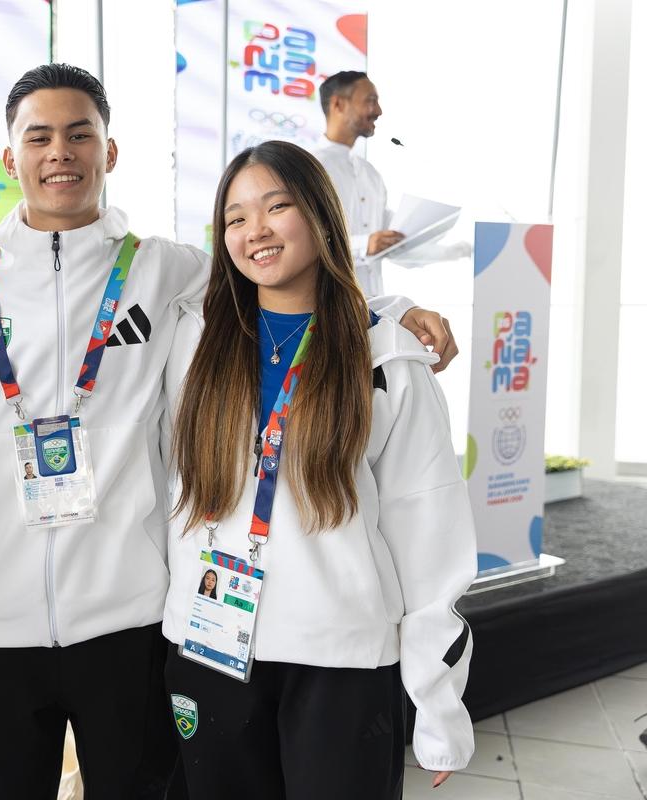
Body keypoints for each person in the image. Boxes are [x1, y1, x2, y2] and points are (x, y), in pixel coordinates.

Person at [0, 63, 459, 798]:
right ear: (11, 156)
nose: (61, 152)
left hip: (131, 619)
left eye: (81, 134)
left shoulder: (167, 275)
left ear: (109, 152)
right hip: (4, 621)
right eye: (41, 136)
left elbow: (281, 281)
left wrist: (393, 310)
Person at [162, 140, 476, 798]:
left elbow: (431, 541)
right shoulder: (192, 342)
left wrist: (438, 702)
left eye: (278, 207)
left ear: (323, 216)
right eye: (237, 218)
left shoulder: (387, 363)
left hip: (341, 659)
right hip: (212, 647)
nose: (257, 231)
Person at [312, 71, 404, 297]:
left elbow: (393, 238)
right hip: (327, 309)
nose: (379, 111)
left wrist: (462, 250)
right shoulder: (310, 168)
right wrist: (364, 246)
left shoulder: (370, 174)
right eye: (370, 101)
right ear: (338, 104)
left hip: (374, 311)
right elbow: (306, 241)